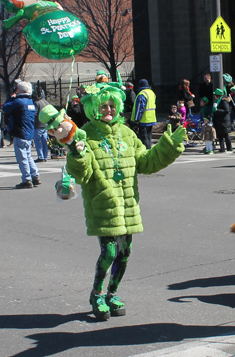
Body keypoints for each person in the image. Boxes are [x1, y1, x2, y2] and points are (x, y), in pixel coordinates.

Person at [63, 86, 186, 321]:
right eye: (103, 106)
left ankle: (112, 293)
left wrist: (169, 146)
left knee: (125, 252)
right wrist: (77, 155)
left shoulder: (127, 133)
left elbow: (146, 162)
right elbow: (83, 174)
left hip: (128, 203)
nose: (109, 110)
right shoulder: (85, 134)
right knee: (109, 251)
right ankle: (97, 294)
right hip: (103, 203)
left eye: (112, 106)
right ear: (93, 109)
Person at [1, 81, 41, 188]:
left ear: (21, 90)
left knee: (22, 157)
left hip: (20, 132)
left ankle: (26, 179)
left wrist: (10, 98)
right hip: (29, 132)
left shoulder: (19, 102)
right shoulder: (30, 102)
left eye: (17, 88)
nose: (15, 90)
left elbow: (5, 108)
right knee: (28, 155)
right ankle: (35, 175)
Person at [132, 79, 157, 149]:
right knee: (149, 137)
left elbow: (140, 108)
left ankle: (146, 151)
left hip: (144, 120)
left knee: (144, 138)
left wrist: (136, 119)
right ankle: (149, 150)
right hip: (151, 118)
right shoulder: (152, 93)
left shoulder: (142, 94)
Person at [212, 88, 233, 153]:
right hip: (219, 121)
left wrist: (217, 110)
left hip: (224, 121)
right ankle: (222, 148)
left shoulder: (224, 101)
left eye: (215, 95)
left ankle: (229, 148)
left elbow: (227, 110)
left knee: (226, 135)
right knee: (220, 135)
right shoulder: (216, 101)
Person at [33, 90, 49, 162]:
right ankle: (45, 156)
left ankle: (40, 156)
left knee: (38, 141)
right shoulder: (47, 103)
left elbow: (34, 114)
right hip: (46, 124)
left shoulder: (37, 103)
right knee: (45, 141)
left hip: (38, 124)